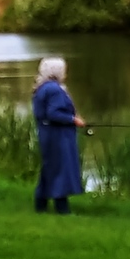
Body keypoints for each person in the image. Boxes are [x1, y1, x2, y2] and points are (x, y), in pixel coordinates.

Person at [31, 57, 86, 214]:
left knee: (50, 168)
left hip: (47, 133)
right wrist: (73, 119)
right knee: (61, 167)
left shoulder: (42, 87)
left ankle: (40, 204)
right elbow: (53, 113)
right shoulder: (54, 89)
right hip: (58, 135)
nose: (65, 73)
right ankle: (62, 208)